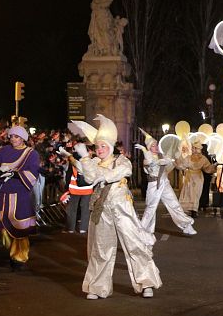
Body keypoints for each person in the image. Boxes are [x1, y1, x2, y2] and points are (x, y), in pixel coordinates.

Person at [68, 115, 161, 299]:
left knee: (134, 244)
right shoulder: (93, 162)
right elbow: (89, 178)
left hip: (122, 207)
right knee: (101, 248)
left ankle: (146, 283)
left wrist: (105, 176)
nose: (100, 149)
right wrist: (85, 158)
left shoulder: (120, 160)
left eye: (103, 146)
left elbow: (124, 171)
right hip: (101, 209)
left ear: (110, 147)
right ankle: (97, 287)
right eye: (97, 146)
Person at [0, 125, 40, 270]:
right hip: (5, 191)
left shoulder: (31, 153)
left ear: (23, 138)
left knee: (20, 227)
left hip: (21, 192)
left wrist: (16, 173)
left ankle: (19, 257)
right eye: (11, 136)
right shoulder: (5, 150)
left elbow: (33, 171)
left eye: (16, 137)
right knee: (3, 226)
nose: (13, 139)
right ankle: (12, 252)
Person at [136, 129, 196, 238]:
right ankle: (142, 230)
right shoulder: (147, 157)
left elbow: (171, 161)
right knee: (151, 208)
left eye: (156, 144)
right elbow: (150, 163)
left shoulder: (161, 155)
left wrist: (178, 155)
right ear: (149, 148)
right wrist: (145, 151)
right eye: (153, 145)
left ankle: (186, 225)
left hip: (164, 183)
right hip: (154, 185)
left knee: (174, 204)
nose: (156, 146)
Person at [176, 135, 217, 218]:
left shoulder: (203, 159)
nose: (193, 149)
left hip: (198, 177)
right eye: (193, 148)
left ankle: (194, 210)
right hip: (189, 177)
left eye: (195, 148)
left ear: (199, 149)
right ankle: (188, 210)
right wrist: (177, 163)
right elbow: (183, 166)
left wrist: (214, 166)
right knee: (188, 193)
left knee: (196, 193)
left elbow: (207, 168)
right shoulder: (188, 157)